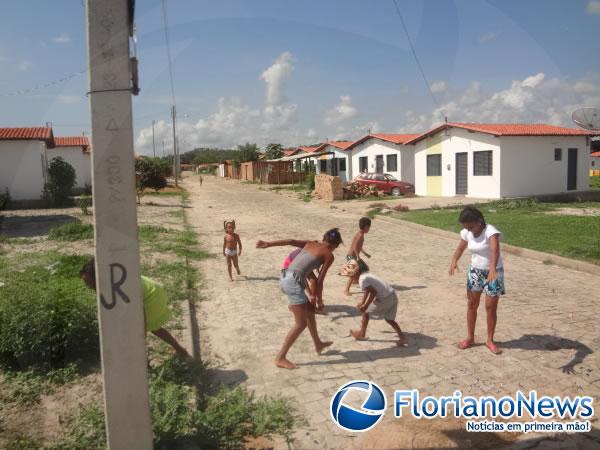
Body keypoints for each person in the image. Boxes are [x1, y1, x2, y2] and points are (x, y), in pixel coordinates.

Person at [256, 228, 343, 369]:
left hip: (285, 277)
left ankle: (318, 344)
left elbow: (291, 241)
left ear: (324, 238)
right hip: (293, 283)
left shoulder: (310, 243)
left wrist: (268, 243)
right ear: (334, 245)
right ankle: (280, 357)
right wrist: (319, 301)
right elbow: (319, 281)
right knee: (301, 324)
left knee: (310, 312)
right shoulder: (328, 255)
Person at [79, 258, 189, 357]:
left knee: (136, 335)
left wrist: (141, 333)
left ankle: (144, 364)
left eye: (89, 282)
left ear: (98, 277)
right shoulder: (113, 279)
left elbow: (140, 312)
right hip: (151, 290)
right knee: (153, 329)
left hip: (151, 298)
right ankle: (179, 350)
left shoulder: (122, 288)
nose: (88, 286)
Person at [449, 206, 505, 355]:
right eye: (465, 227)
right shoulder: (467, 232)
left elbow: (495, 250)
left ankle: (489, 340)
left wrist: (492, 268)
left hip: (494, 272)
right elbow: (460, 248)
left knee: (490, 307)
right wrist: (454, 260)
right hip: (475, 272)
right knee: (472, 305)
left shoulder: (490, 231)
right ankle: (470, 338)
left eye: (470, 226)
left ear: (478, 221)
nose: (468, 229)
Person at [344, 262, 407, 346]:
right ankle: (402, 337)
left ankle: (362, 333)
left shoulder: (362, 280)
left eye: (351, 276)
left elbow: (373, 292)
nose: (351, 278)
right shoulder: (366, 275)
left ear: (356, 273)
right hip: (392, 295)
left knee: (365, 312)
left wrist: (365, 305)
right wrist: (363, 302)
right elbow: (368, 291)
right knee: (389, 319)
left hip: (385, 299)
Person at [282, 247, 322, 312]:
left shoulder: (312, 254)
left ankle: (311, 305)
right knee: (298, 287)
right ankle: (293, 306)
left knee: (313, 280)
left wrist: (315, 297)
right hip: (289, 268)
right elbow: (303, 280)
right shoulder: (306, 258)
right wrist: (310, 294)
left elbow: (313, 280)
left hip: (297, 264)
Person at [344, 217, 372, 296]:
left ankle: (355, 281)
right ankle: (346, 290)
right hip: (352, 257)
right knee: (354, 273)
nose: (369, 229)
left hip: (351, 256)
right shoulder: (360, 235)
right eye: (369, 227)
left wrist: (365, 253)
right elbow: (355, 247)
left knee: (363, 269)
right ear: (366, 226)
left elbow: (358, 246)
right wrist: (357, 256)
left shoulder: (359, 234)